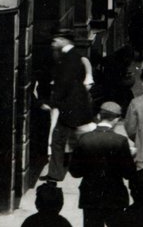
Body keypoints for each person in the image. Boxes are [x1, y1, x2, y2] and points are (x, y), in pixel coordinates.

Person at [68, 102, 136, 227]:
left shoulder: (84, 139)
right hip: (114, 196)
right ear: (116, 119)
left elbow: (75, 172)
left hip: (90, 196)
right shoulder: (120, 141)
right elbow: (129, 173)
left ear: (99, 116)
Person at [44, 33, 94, 183]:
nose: (54, 42)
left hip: (69, 107)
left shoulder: (68, 58)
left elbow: (64, 82)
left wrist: (53, 102)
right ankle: (59, 172)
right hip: (77, 106)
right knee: (74, 139)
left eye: (57, 39)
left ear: (64, 40)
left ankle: (56, 174)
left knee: (59, 140)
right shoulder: (75, 56)